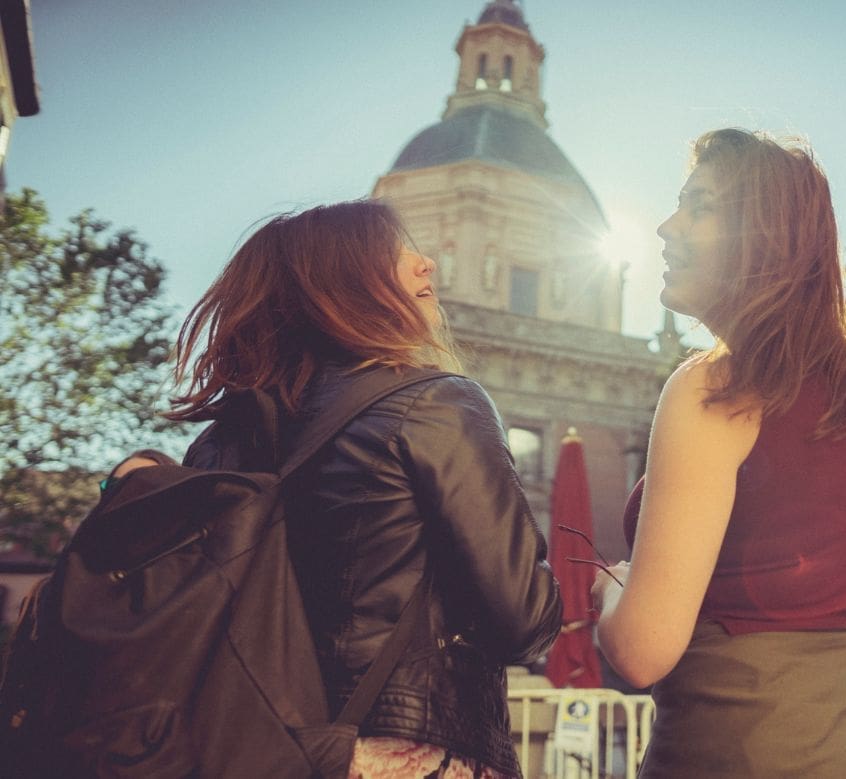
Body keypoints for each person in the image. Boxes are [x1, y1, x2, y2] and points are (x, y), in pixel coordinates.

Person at [169, 200, 562, 779]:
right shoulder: (435, 402)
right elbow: (524, 622)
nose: (428, 264)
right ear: (345, 281)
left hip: (242, 750)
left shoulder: (215, 445)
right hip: (402, 751)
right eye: (398, 251)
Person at [589, 129, 846, 778]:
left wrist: (615, 586)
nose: (666, 226)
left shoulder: (714, 386)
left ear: (764, 233)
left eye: (699, 206)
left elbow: (640, 650)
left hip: (747, 749)